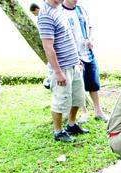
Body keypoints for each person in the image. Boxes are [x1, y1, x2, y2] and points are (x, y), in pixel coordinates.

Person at [38, 0, 89, 142]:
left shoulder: (59, 8)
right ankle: (58, 132)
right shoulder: (46, 14)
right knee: (60, 101)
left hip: (73, 63)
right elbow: (48, 47)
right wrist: (58, 72)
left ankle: (72, 124)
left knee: (78, 97)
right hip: (61, 68)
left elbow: (68, 36)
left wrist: (77, 59)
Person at [62, 0, 108, 123]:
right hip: (74, 57)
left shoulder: (81, 9)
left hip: (88, 54)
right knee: (79, 86)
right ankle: (84, 113)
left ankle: (98, 111)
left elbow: (89, 27)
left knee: (93, 84)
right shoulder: (61, 12)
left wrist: (90, 39)